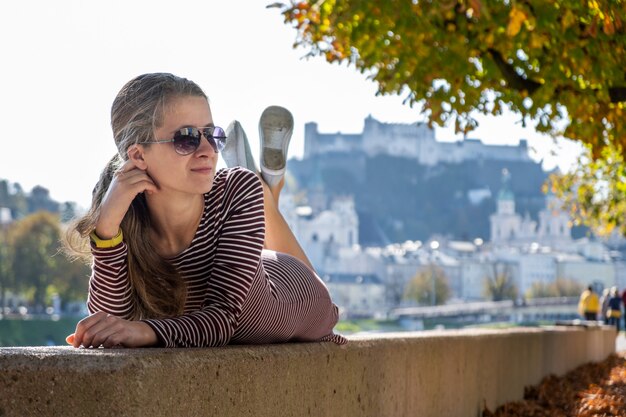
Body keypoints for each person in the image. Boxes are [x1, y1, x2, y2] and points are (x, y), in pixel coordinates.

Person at [64, 72, 346, 348]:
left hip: (296, 293)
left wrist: (145, 331)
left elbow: (222, 322)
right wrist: (106, 227)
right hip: (249, 266)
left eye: (212, 135)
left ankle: (267, 193)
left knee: (250, 192)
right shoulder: (125, 216)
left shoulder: (237, 188)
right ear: (138, 156)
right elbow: (113, 321)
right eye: (186, 138)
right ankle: (269, 191)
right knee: (243, 240)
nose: (208, 151)